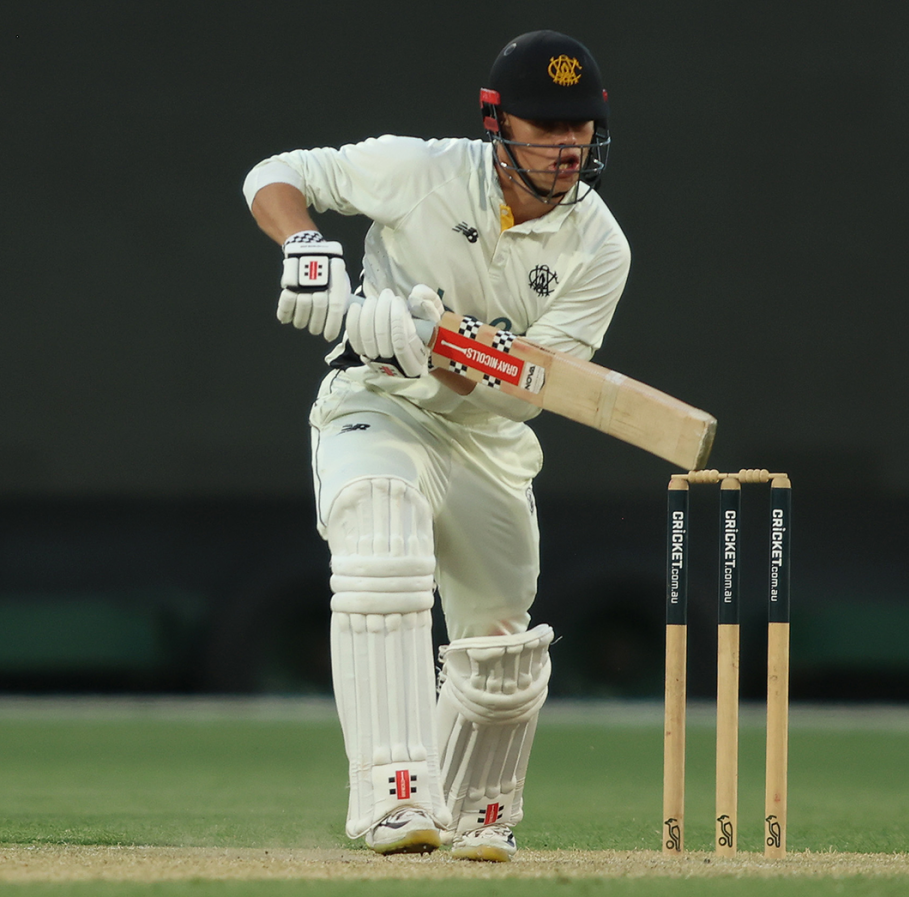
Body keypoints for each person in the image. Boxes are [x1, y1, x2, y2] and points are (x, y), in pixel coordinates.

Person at [241, 31, 630, 862]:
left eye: (581, 129)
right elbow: (273, 175)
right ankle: (394, 797)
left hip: (487, 440)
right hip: (378, 406)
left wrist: (431, 340)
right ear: (498, 124)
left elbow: (525, 390)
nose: (567, 148)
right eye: (546, 127)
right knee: (381, 535)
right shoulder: (416, 170)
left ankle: (477, 807)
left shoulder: (601, 248)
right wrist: (308, 251)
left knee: (502, 650)